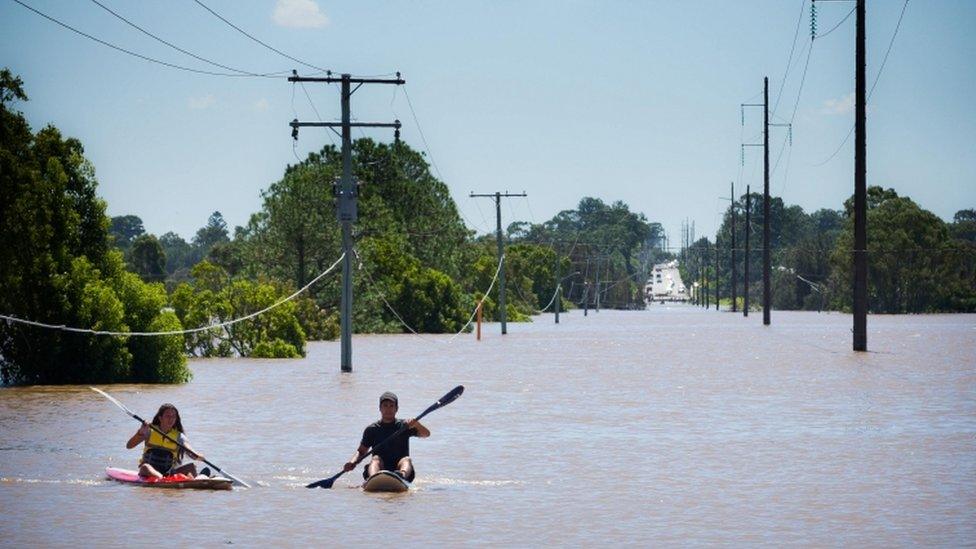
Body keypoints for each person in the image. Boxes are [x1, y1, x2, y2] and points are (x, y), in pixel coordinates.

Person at [343, 391, 430, 482]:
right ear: (380, 408)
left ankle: (401, 476)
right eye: (385, 405)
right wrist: (352, 462)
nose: (388, 409)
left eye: (391, 406)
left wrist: (417, 424)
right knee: (375, 459)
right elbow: (361, 452)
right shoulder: (371, 429)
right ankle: (374, 479)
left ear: (396, 409)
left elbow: (426, 434)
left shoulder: (404, 426)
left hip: (400, 468)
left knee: (406, 459)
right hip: (380, 468)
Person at [126, 403, 206, 479]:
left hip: (168, 473)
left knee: (191, 467)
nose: (171, 419)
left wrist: (197, 455)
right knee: (145, 467)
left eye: (173, 417)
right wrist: (140, 433)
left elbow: (190, 450)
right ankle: (162, 479)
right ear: (160, 418)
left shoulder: (179, 436)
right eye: (168, 416)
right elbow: (129, 446)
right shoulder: (149, 431)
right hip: (148, 472)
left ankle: (200, 480)